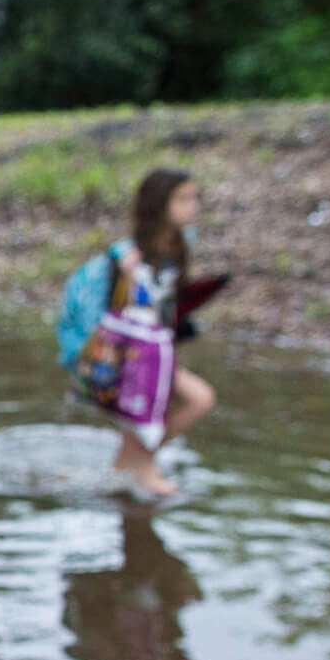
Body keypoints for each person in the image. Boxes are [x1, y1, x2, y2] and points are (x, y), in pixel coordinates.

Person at [108, 168, 219, 496]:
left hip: (159, 349)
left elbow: (171, 299)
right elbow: (119, 310)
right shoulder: (131, 253)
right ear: (159, 205)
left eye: (194, 198)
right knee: (198, 398)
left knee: (152, 410)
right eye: (183, 199)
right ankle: (139, 466)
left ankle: (133, 465)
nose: (193, 206)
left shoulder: (181, 244)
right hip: (133, 352)